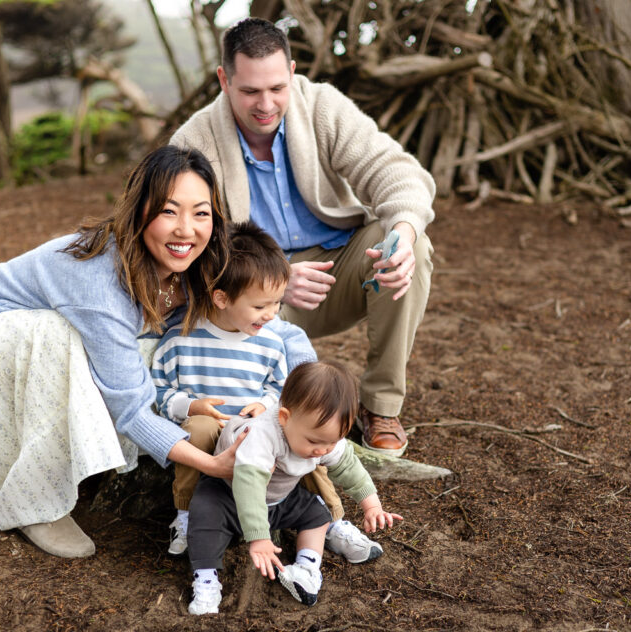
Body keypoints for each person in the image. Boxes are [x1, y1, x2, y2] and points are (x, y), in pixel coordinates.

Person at [0, 145, 313, 559]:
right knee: (58, 336)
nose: (185, 229)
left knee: (153, 349)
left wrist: (302, 402)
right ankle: (37, 503)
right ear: (140, 210)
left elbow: (278, 330)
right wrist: (211, 465)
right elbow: (132, 409)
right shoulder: (97, 282)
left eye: (200, 213)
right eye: (168, 211)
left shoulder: (204, 260)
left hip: (36, 345)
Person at [171, 17, 437, 457]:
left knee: (412, 246)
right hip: (256, 292)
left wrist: (403, 235)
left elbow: (398, 172)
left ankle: (381, 406)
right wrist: (272, 278)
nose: (266, 104)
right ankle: (266, 423)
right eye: (250, 91)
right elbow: (187, 246)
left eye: (277, 88)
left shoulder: (321, 106)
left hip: (340, 269)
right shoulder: (195, 141)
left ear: (292, 72)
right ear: (224, 79)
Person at [152, 221, 382, 564]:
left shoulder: (272, 343)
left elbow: (281, 390)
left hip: (258, 432)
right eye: (261, 306)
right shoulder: (180, 341)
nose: (272, 314)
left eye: (277, 303)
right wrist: (190, 405)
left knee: (307, 439)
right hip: (212, 432)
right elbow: (158, 390)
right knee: (197, 430)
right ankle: (185, 515)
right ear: (222, 297)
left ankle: (333, 519)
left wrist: (263, 403)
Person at [185, 361, 402, 615]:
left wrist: (371, 505)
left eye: (332, 442)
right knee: (203, 515)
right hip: (230, 492)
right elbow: (249, 487)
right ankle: (207, 579)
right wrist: (259, 537)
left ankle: (307, 568)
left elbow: (348, 467)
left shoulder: (323, 437)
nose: (322, 450)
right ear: (284, 417)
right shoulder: (261, 435)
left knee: (318, 516)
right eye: (314, 442)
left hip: (280, 497)